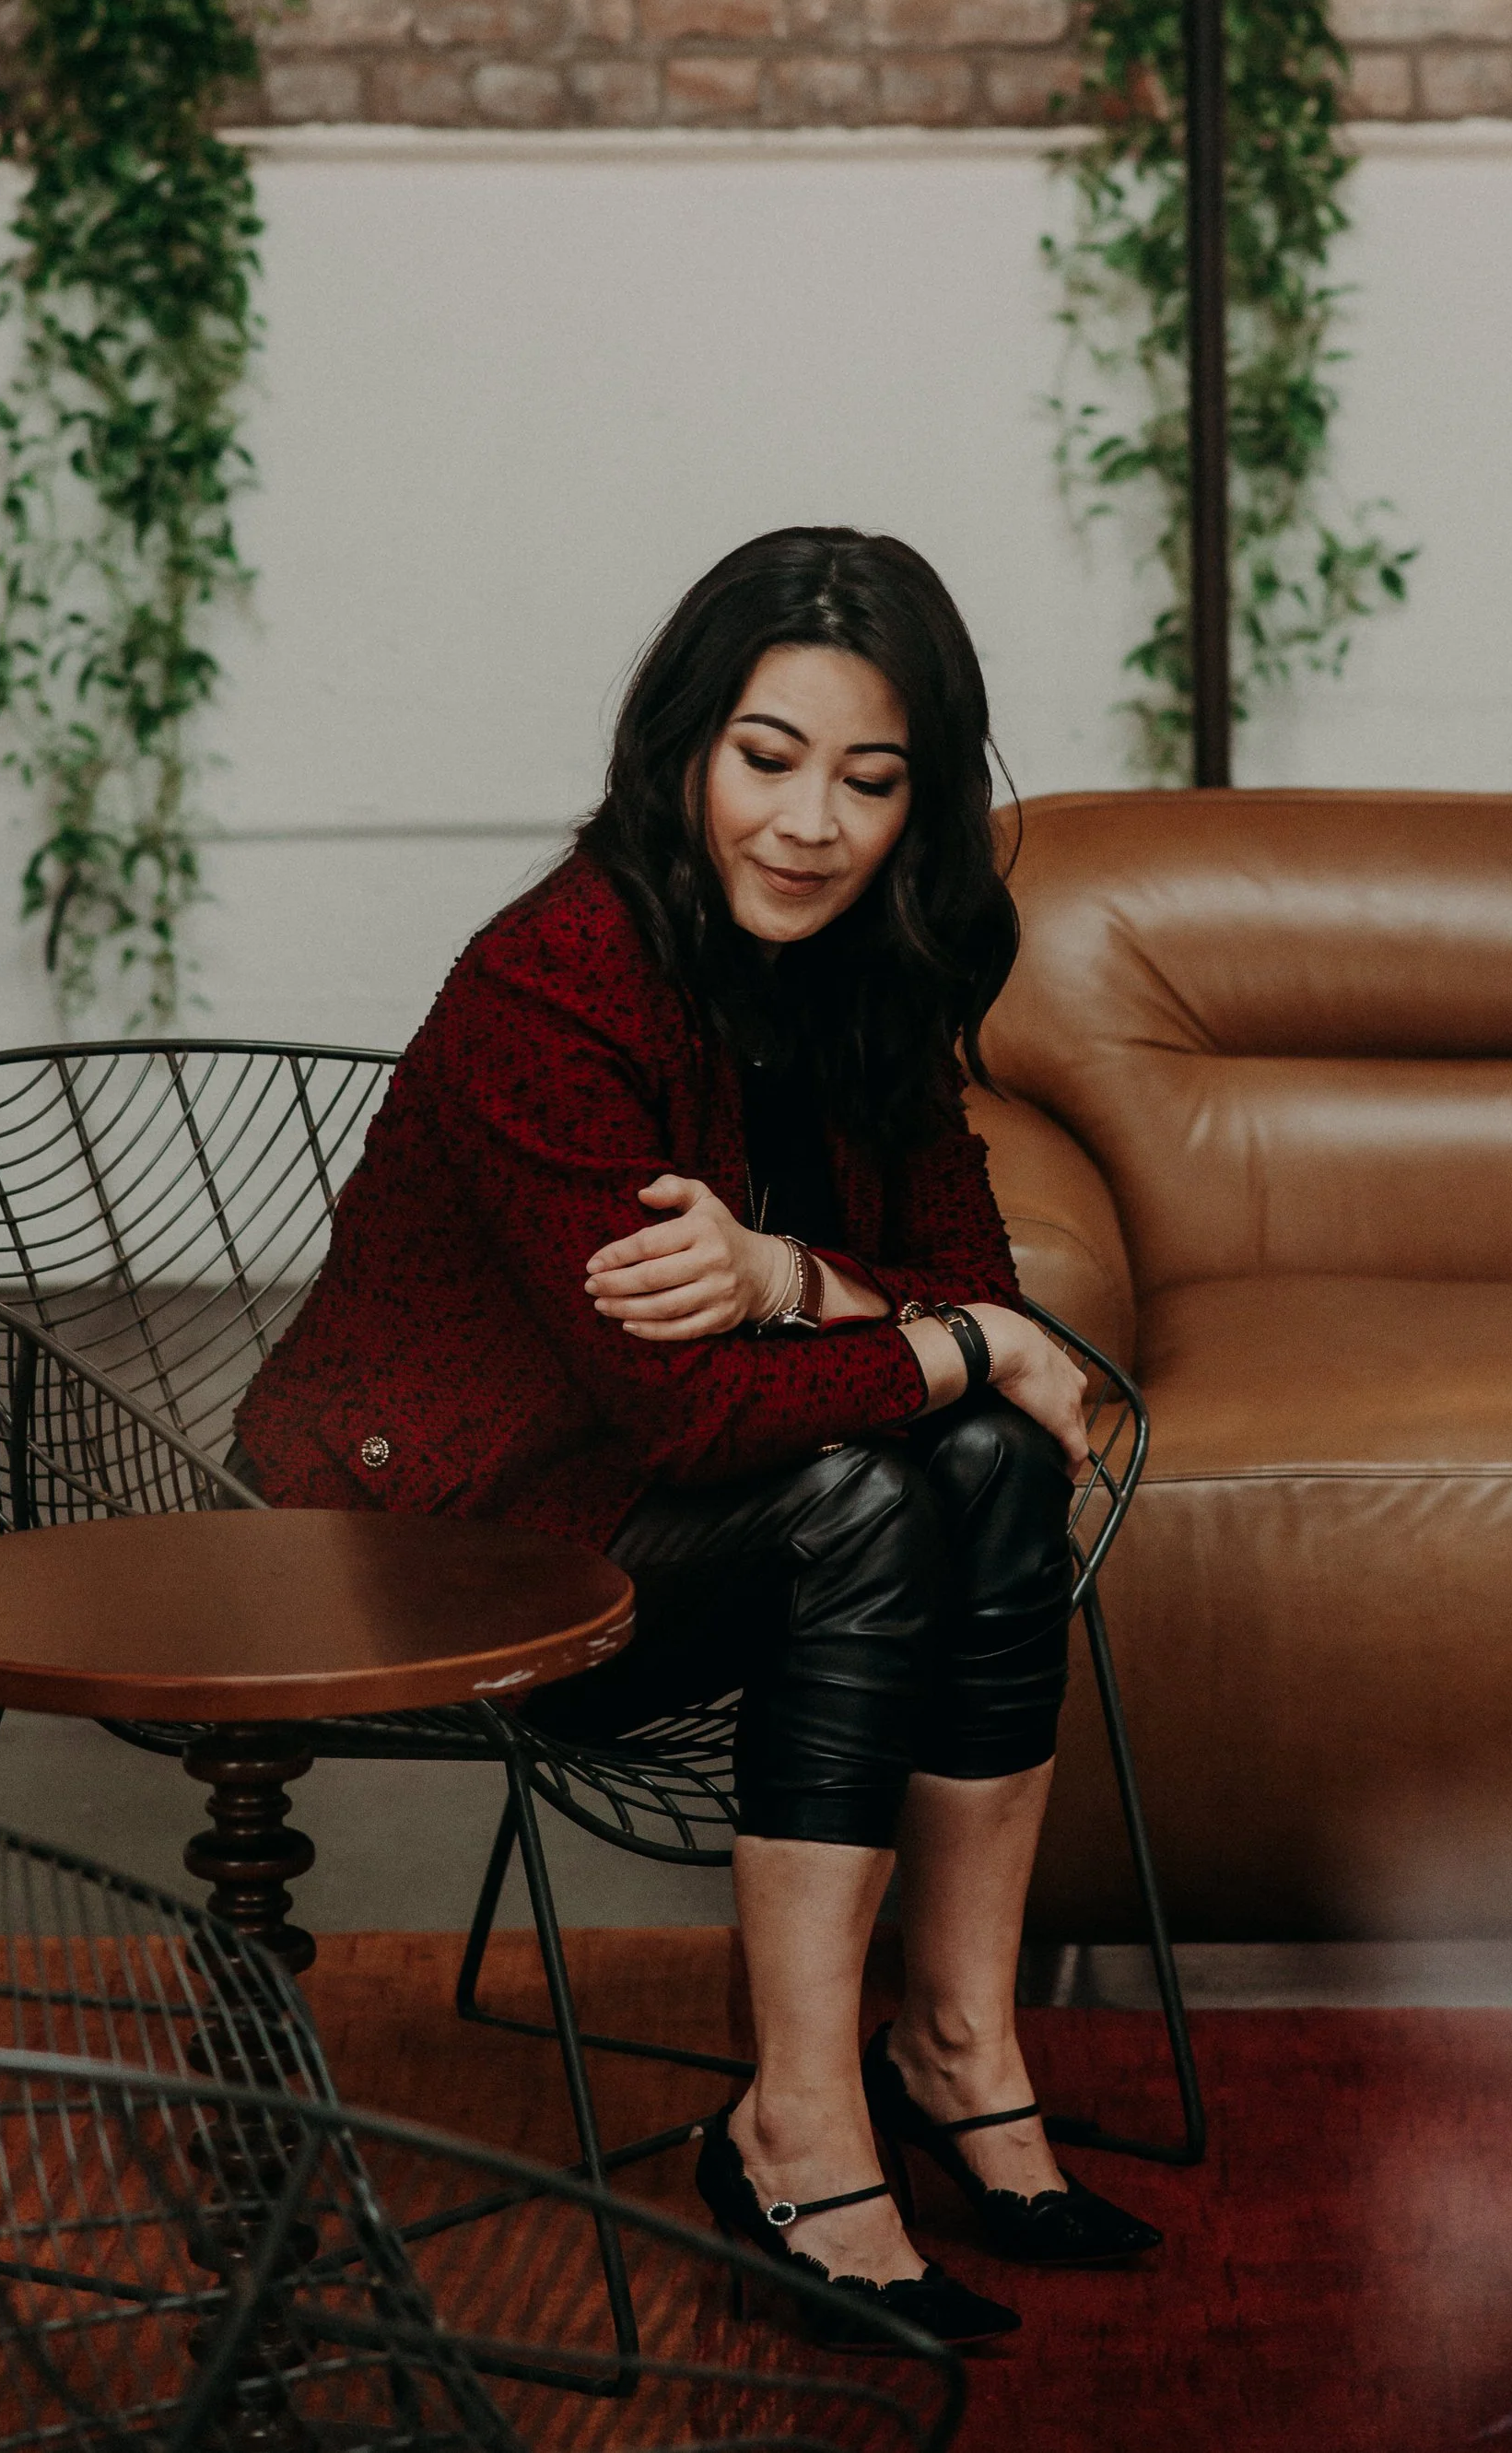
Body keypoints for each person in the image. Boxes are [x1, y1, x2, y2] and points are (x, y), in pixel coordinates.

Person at [234, 525, 1160, 2344]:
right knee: (871, 1490)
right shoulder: (554, 982)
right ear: (680, 747)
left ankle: (954, 2041)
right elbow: (705, 1403)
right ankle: (794, 2120)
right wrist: (954, 1336)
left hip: (678, 1506)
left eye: (869, 779)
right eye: (766, 757)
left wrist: (790, 1275)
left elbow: (966, 1285)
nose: (810, 824)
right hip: (450, 1549)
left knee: (987, 1460)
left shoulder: (872, 966)